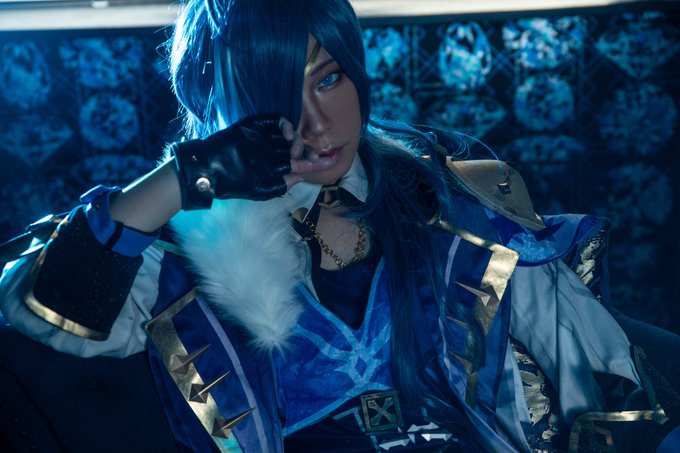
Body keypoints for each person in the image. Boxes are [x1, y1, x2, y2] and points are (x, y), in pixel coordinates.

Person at [0, 0, 678, 451]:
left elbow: (591, 360)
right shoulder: (182, 250)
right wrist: (183, 179)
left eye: (328, 80)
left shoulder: (442, 199)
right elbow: (51, 312)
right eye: (271, 97)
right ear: (214, 104)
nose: (317, 124)